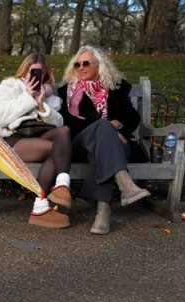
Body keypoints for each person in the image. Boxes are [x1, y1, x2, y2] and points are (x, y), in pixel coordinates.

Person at [57, 45, 150, 235]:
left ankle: (103, 211)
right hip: (80, 144)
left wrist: (118, 127)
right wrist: (106, 126)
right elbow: (66, 123)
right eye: (77, 64)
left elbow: (132, 118)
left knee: (103, 147)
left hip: (116, 145)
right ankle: (126, 186)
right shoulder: (67, 93)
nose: (80, 67)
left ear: (100, 65)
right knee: (103, 127)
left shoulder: (116, 89)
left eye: (86, 63)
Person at [0, 53, 73, 228]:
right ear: (24, 72)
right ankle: (41, 206)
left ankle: (60, 189)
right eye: (31, 72)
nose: (35, 76)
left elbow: (59, 123)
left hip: (38, 139)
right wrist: (27, 98)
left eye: (40, 73)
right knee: (57, 150)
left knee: (64, 132)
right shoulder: (8, 87)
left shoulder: (49, 95)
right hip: (12, 141)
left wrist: (42, 105)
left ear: (45, 74)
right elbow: (1, 117)